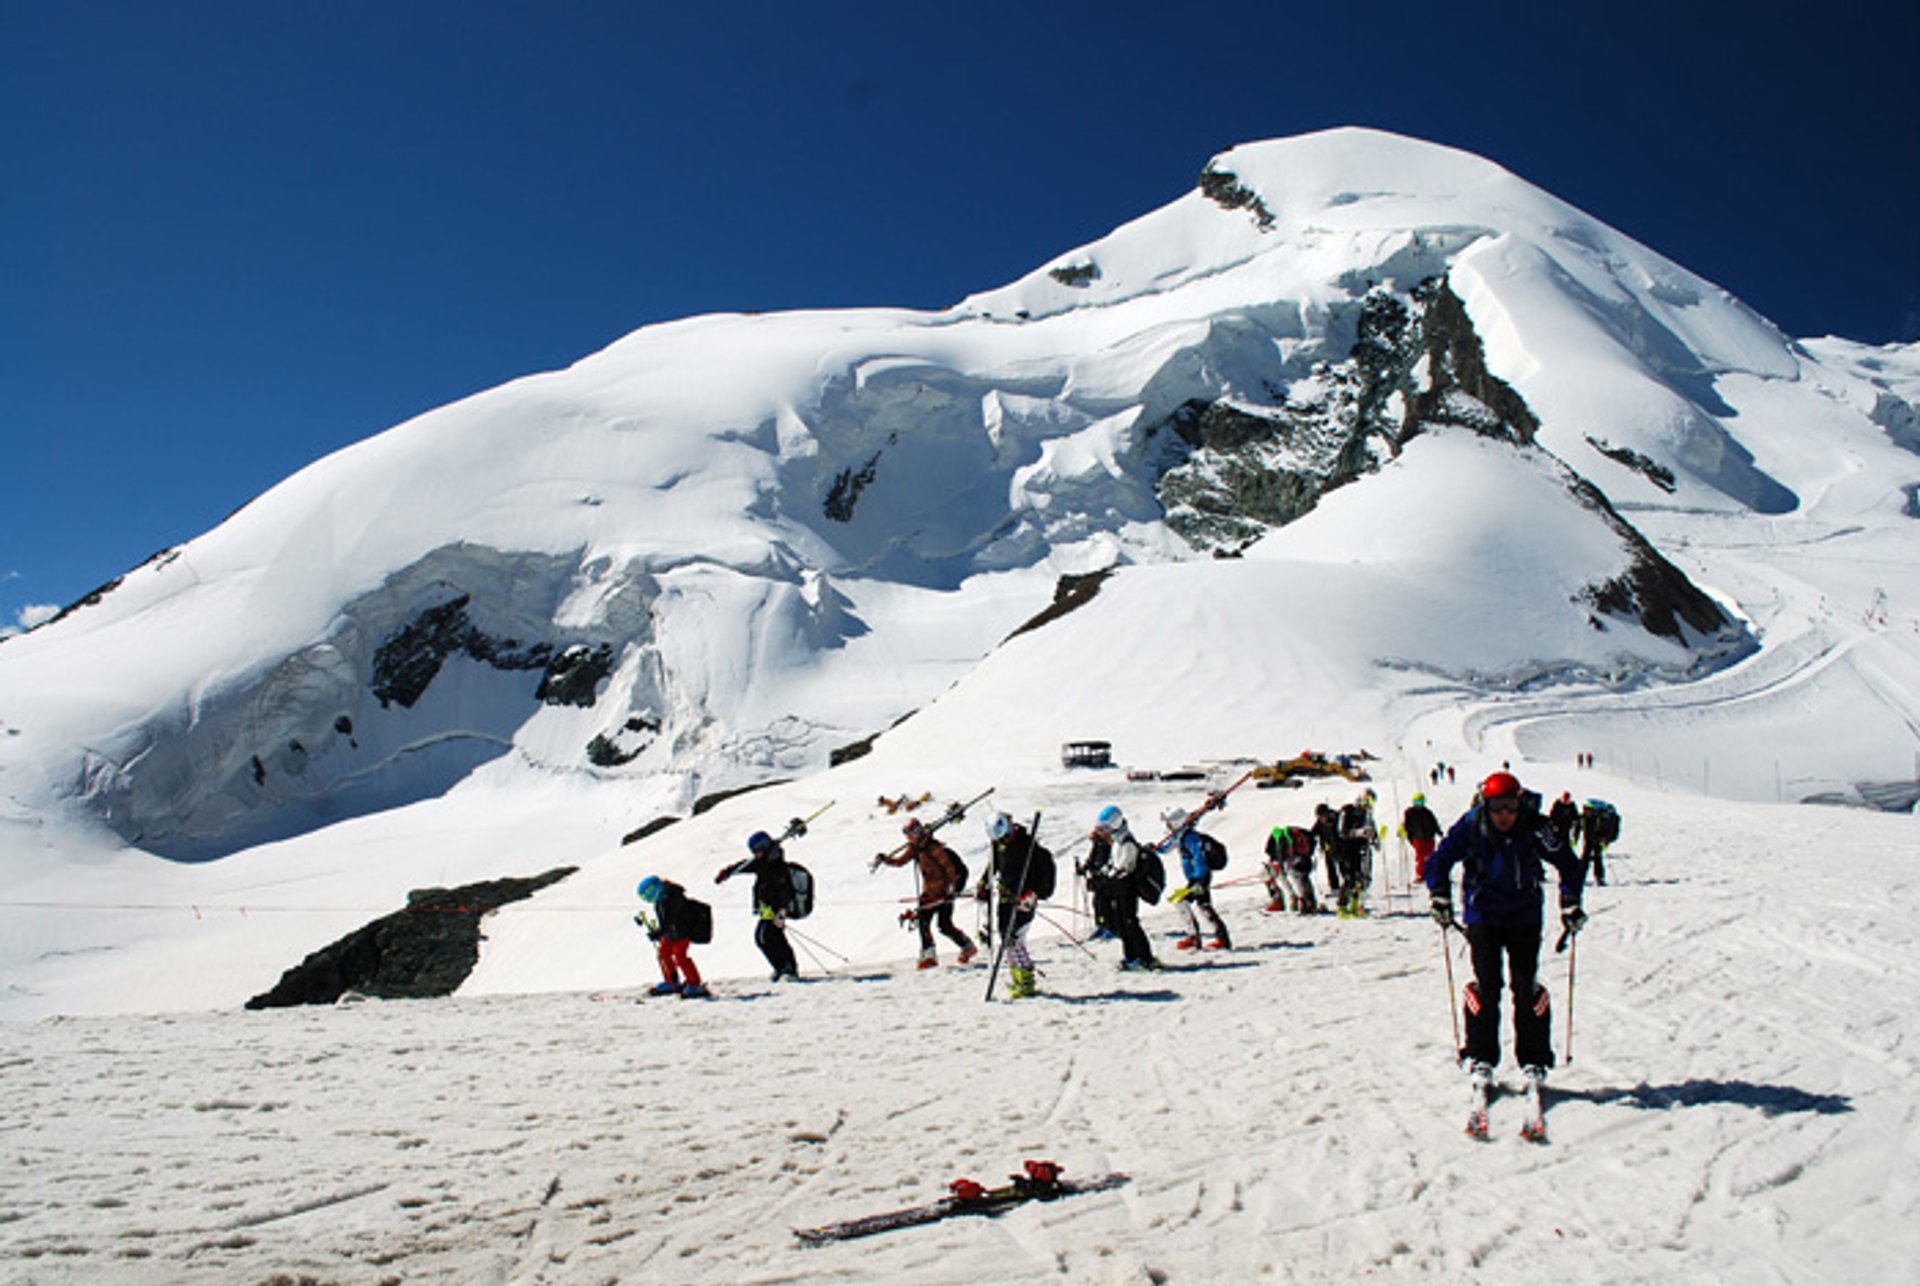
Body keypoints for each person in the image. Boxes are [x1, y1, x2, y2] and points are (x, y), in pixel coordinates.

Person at [1426, 771, 1586, 1089]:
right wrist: (1439, 893)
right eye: (1498, 807)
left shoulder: (1535, 827)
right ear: (1486, 804)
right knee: (1488, 984)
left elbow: (1568, 862)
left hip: (1524, 916)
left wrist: (1570, 901)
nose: (1505, 815)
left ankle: (1534, 1059)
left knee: (1525, 986)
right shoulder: (1472, 824)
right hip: (1483, 915)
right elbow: (1439, 860)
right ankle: (1480, 1055)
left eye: (1511, 807)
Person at [873, 817, 978, 969]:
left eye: (912, 834)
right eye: (908, 835)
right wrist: (886, 860)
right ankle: (929, 954)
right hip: (929, 892)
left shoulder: (934, 848)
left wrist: (952, 889)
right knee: (924, 921)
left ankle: (967, 947)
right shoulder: (915, 849)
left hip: (943, 892)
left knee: (944, 925)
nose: (911, 838)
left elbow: (950, 869)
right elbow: (901, 862)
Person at [980, 811, 1055, 998]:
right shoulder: (1000, 846)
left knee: (1015, 938)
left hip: (1024, 899)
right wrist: (984, 882)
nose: (1002, 843)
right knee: (1006, 939)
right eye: (999, 840)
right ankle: (1017, 979)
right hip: (1006, 898)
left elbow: (1045, 873)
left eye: (1004, 838)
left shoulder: (1028, 848)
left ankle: (1026, 981)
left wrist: (1035, 892)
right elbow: (994, 865)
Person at [717, 830, 801, 982]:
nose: (755, 855)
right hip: (766, 907)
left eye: (757, 851)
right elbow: (744, 865)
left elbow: (786, 891)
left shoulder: (777, 866)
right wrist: (727, 873)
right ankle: (781, 967)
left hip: (776, 907)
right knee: (765, 937)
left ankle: (788, 969)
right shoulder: (762, 863)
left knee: (767, 936)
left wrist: (782, 911)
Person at [1089, 805, 1157, 969]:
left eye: (1105, 828)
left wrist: (1107, 877)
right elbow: (1114, 864)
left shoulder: (1127, 842)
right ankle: (1130, 956)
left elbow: (1124, 868)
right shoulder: (1118, 841)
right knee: (1121, 922)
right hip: (1119, 887)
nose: (1103, 831)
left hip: (1127, 888)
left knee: (1129, 922)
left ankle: (1143, 957)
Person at [1164, 807, 1232, 950]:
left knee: (1180, 900)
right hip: (1195, 877)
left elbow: (1199, 857)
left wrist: (1199, 880)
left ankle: (1194, 937)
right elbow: (1167, 847)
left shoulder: (1190, 837)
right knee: (1204, 905)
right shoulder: (1180, 836)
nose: (1167, 826)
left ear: (1176, 823)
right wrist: (1153, 848)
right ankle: (1222, 938)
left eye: (1169, 823)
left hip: (1200, 877)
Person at [635, 875, 711, 999]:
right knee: (663, 953)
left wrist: (659, 932)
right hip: (670, 933)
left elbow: (671, 918)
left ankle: (695, 985)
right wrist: (660, 932)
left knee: (680, 957)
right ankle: (671, 981)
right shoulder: (661, 898)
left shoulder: (674, 897)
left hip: (681, 933)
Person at [1262, 823, 1318, 914]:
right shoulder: (1295, 835)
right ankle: (1307, 902)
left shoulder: (1280, 837)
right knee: (1301, 879)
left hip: (1293, 861)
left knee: (1296, 878)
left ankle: (1297, 901)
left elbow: (1270, 852)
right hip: (1300, 859)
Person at [1334, 794, 1375, 917]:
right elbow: (1342, 831)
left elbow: (1371, 828)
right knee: (1349, 877)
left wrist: (1374, 838)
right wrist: (1358, 833)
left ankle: (1356, 904)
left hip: (1360, 849)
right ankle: (1342, 905)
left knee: (1360, 878)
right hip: (1346, 849)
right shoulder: (1347, 811)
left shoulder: (1366, 815)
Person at [1401, 793, 1442, 882]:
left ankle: (1430, 872)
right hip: (1417, 838)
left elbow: (1434, 823)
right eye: (1416, 802)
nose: (1418, 805)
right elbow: (1407, 825)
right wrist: (1403, 831)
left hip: (1429, 837)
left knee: (1430, 856)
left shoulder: (1427, 812)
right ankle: (1420, 874)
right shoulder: (1409, 813)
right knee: (1420, 857)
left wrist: (1439, 832)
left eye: (1420, 802)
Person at [1579, 799, 1619, 886]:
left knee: (1596, 858)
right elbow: (1579, 827)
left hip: (1598, 841)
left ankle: (1598, 878)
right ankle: (1581, 877)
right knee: (1586, 858)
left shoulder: (1600, 819)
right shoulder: (1585, 817)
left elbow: (1608, 831)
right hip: (1589, 840)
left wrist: (1605, 840)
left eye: (1587, 809)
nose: (1585, 811)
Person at [1312, 802, 1341, 897]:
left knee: (1344, 868)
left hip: (1341, 847)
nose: (1321, 819)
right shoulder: (1319, 823)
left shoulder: (1337, 818)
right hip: (1328, 848)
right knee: (1330, 868)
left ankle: (1349, 888)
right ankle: (1335, 888)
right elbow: (1313, 833)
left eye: (1322, 816)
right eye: (1319, 817)